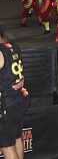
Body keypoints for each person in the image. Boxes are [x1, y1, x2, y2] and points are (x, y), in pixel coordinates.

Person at [0, 27, 30, 159]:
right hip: (20, 98)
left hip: (7, 104)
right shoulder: (13, 46)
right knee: (16, 136)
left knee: (6, 145)